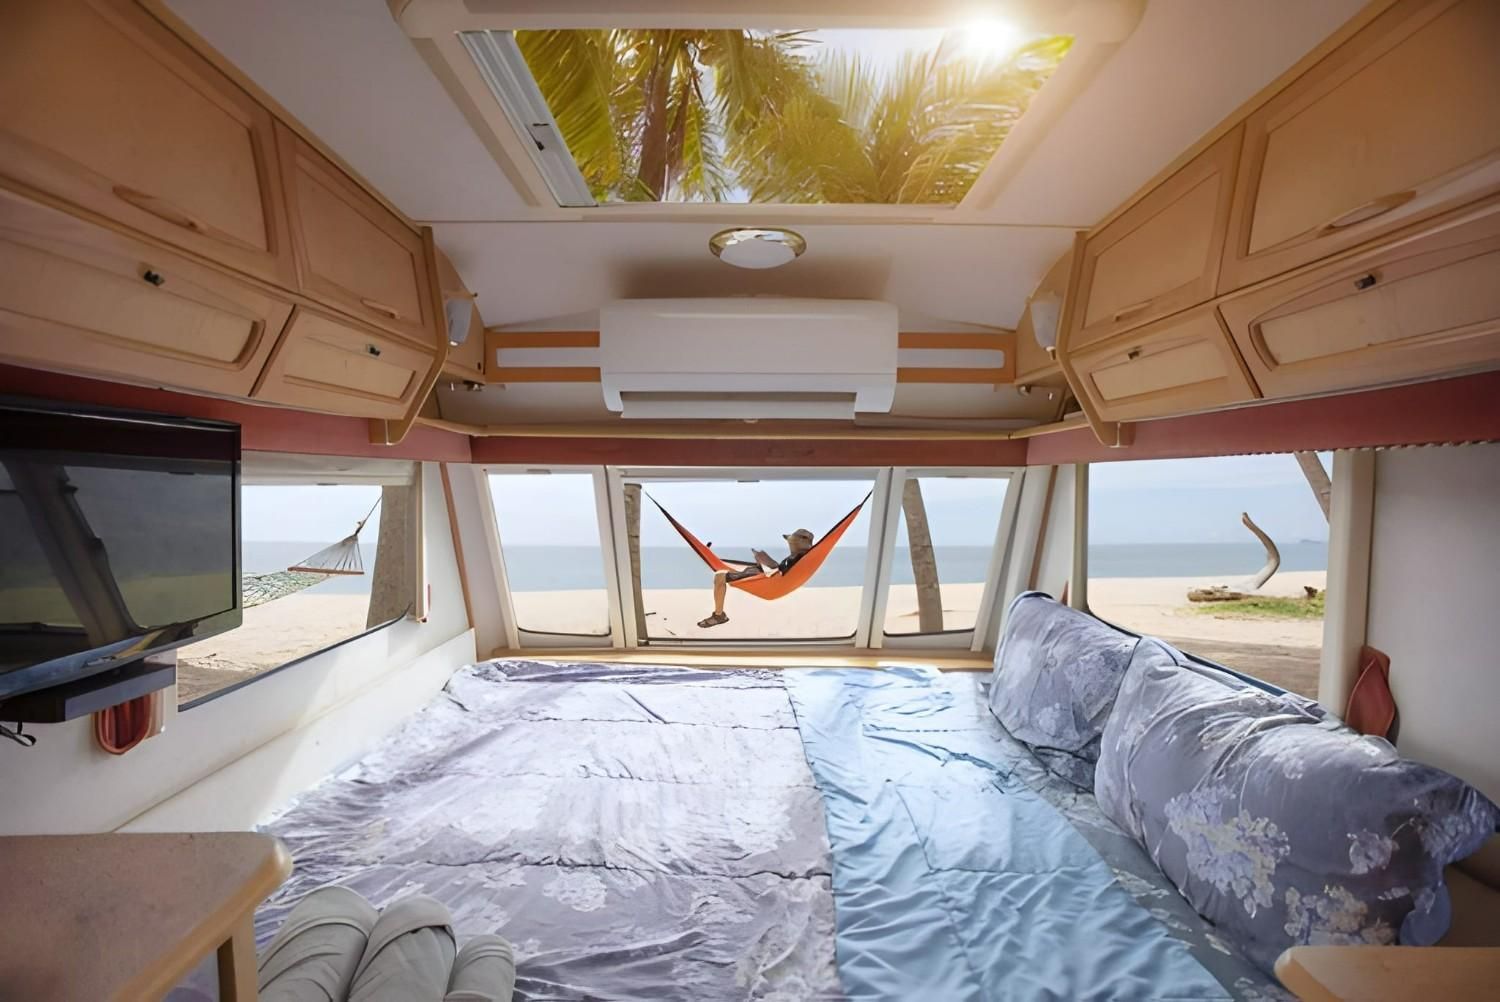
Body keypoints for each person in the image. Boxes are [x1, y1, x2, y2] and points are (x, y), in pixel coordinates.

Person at [697, 527, 814, 628]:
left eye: (792, 543)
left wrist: (766, 562)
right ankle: (713, 558)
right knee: (741, 569)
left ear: (798, 543)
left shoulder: (797, 557)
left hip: (771, 582)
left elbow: (779, 572)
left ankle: (719, 616)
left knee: (720, 576)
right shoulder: (796, 557)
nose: (790, 545)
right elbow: (781, 570)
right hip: (769, 577)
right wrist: (763, 561)